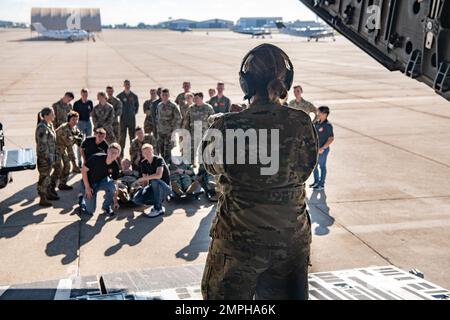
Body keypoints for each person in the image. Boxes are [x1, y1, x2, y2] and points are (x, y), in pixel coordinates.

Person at [200, 44, 318, 300]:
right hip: (291, 240)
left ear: (245, 83)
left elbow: (210, 165)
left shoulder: (227, 125)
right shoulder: (300, 122)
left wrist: (215, 126)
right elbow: (306, 168)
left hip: (238, 243)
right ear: (286, 80)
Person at [80, 143, 121, 216]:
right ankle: (82, 201)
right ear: (107, 151)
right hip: (89, 183)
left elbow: (115, 182)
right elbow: (83, 170)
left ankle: (106, 207)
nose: (112, 154)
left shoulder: (115, 165)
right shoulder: (96, 158)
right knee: (90, 211)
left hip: (102, 181)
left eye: (115, 153)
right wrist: (87, 187)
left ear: (118, 155)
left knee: (113, 187)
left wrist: (115, 201)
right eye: (111, 151)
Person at [132, 144, 172, 218]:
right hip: (154, 187)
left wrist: (141, 179)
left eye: (149, 152)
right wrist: (144, 190)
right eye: (145, 153)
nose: (147, 154)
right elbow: (145, 181)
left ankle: (158, 209)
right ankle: (157, 204)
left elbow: (158, 175)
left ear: (152, 151)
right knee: (136, 199)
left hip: (165, 188)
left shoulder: (159, 159)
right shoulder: (143, 163)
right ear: (143, 154)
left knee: (155, 180)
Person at [50, 111, 82, 193]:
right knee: (58, 169)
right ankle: (50, 187)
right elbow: (69, 146)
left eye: (76, 120)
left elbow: (78, 136)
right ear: (69, 120)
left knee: (67, 166)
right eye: (73, 120)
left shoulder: (73, 127)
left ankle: (62, 184)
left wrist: (79, 138)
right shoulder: (64, 129)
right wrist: (74, 163)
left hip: (62, 149)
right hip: (55, 150)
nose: (75, 121)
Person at [182, 92, 214, 164]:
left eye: (197, 98)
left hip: (204, 133)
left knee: (204, 149)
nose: (195, 100)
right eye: (194, 98)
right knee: (192, 150)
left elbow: (212, 122)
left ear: (202, 98)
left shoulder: (208, 108)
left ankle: (203, 166)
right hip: (193, 133)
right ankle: (191, 165)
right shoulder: (191, 108)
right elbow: (187, 121)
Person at [35, 107, 58, 206]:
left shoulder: (49, 124)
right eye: (52, 114)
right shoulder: (42, 127)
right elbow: (42, 146)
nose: (54, 116)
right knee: (44, 177)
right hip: (44, 158)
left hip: (51, 156)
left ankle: (48, 193)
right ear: (46, 115)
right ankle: (42, 198)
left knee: (48, 177)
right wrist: (47, 158)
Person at [310, 106, 334, 191]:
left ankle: (321, 184)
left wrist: (323, 148)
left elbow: (331, 138)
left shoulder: (328, 125)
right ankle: (316, 182)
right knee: (314, 166)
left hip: (323, 149)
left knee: (322, 166)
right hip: (316, 149)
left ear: (325, 114)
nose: (318, 114)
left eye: (319, 112)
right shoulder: (317, 123)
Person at [155, 88, 182, 162]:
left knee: (167, 151)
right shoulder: (159, 105)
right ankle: (163, 165)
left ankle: (168, 167)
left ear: (169, 95)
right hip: (160, 132)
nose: (164, 96)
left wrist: (174, 131)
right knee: (161, 150)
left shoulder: (173, 105)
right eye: (163, 95)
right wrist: (157, 128)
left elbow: (178, 119)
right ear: (161, 95)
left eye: (166, 95)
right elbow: (157, 117)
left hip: (169, 132)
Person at [117, 80, 139, 154]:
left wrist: (132, 113)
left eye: (128, 84)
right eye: (126, 84)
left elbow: (137, 107)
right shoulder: (119, 96)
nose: (127, 85)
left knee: (132, 137)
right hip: (123, 120)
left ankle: (133, 153)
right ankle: (120, 154)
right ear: (123, 85)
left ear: (130, 85)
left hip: (131, 119)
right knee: (122, 138)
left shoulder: (134, 96)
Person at [73, 88, 94, 168]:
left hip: (88, 122)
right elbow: (74, 114)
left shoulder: (90, 102)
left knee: (89, 141)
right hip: (80, 123)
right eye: (83, 94)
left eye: (86, 94)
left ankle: (88, 159)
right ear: (81, 94)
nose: (85, 96)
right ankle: (79, 160)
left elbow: (91, 112)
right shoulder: (77, 103)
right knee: (80, 142)